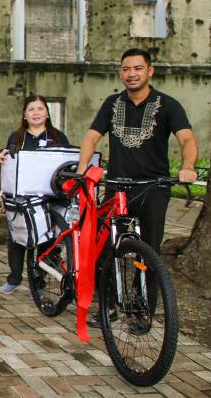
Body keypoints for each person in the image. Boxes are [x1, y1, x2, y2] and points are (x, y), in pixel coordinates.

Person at [77, 48, 198, 326]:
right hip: (117, 188)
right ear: (121, 72)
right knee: (104, 249)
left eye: (137, 69)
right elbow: (92, 136)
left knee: (149, 251)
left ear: (150, 71)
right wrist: (83, 166)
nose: (131, 74)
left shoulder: (167, 105)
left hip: (153, 188)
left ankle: (144, 310)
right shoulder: (112, 103)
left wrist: (188, 166)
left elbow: (187, 139)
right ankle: (107, 306)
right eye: (126, 69)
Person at [0, 95, 70, 295]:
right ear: (24, 115)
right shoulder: (16, 137)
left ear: (47, 113)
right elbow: (8, 169)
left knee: (48, 239)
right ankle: (15, 278)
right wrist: (5, 197)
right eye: (31, 109)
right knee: (17, 239)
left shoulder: (59, 137)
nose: (36, 113)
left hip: (50, 198)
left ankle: (40, 279)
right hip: (21, 199)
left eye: (40, 109)